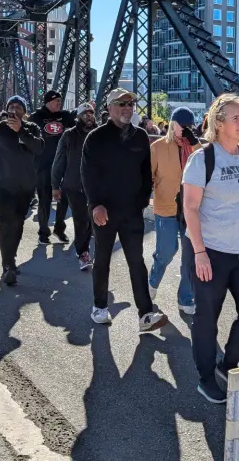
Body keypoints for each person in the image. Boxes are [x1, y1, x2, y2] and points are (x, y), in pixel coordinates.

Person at [182, 94, 239, 404]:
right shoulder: (203, 159)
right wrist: (199, 252)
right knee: (207, 318)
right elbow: (190, 208)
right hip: (211, 252)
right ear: (219, 124)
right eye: (236, 118)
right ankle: (206, 378)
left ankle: (227, 364)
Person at [81, 88, 167, 333]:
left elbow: (145, 173)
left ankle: (145, 314)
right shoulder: (95, 138)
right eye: (122, 104)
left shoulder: (140, 136)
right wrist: (94, 204)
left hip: (131, 211)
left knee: (136, 261)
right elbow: (87, 175)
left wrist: (141, 201)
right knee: (103, 260)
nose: (128, 108)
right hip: (104, 210)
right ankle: (99, 306)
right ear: (109, 108)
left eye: (131, 103)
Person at [0, 96, 44, 286]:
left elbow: (39, 149)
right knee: (6, 224)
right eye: (11, 106)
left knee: (18, 224)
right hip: (4, 185)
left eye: (18, 107)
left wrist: (20, 130)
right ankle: (7, 265)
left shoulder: (32, 129)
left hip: (26, 186)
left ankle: (11, 256)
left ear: (24, 112)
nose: (14, 109)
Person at [148, 107, 199, 314]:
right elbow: (148, 175)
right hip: (166, 206)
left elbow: (206, 167)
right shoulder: (159, 147)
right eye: (182, 126)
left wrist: (194, 142)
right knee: (167, 250)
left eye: (189, 126)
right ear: (173, 124)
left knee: (190, 256)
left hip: (191, 208)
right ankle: (152, 281)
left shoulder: (196, 147)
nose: (185, 130)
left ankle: (185, 298)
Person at [51, 103, 97, 270]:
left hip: (96, 186)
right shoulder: (69, 135)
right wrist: (55, 184)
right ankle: (83, 253)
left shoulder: (101, 134)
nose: (89, 116)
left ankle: (85, 246)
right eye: (85, 114)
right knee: (81, 220)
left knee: (93, 219)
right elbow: (59, 160)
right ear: (79, 117)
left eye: (91, 113)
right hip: (74, 185)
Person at [29, 90, 75, 246]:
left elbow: (77, 131)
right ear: (48, 101)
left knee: (64, 199)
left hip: (64, 165)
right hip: (43, 164)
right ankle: (43, 232)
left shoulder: (66, 116)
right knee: (45, 199)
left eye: (60, 101)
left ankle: (59, 229)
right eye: (57, 101)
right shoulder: (36, 117)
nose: (59, 104)